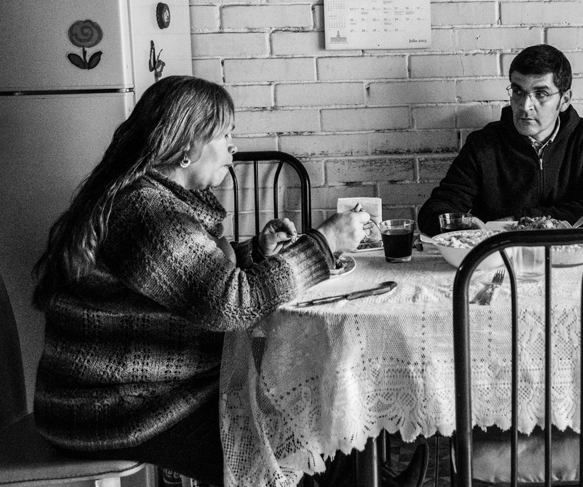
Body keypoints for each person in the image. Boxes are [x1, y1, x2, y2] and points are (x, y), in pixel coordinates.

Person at [30, 76, 378, 486]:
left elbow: (188, 284)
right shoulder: (148, 211)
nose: (233, 146)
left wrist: (255, 254)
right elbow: (230, 304)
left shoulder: (155, 200)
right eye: (224, 133)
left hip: (127, 396)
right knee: (302, 433)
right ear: (185, 147)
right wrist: (325, 243)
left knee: (315, 413)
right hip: (110, 410)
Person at [417, 44, 583, 236]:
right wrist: (464, 224)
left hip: (568, 254)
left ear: (564, 100)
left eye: (541, 94)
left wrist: (520, 221)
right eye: (518, 92)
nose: (525, 105)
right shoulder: (483, 144)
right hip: (499, 258)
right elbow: (433, 213)